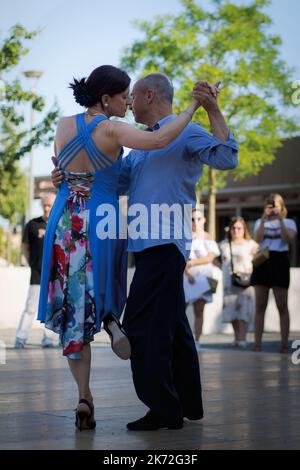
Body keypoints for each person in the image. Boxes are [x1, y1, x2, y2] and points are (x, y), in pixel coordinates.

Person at [52, 73, 238, 431]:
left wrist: (212, 110)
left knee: (139, 326)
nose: (129, 104)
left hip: (165, 244)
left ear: (149, 95)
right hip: (147, 247)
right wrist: (66, 176)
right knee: (174, 328)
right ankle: (188, 405)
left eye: (133, 96)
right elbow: (107, 180)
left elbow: (227, 157)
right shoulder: (139, 146)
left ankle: (162, 409)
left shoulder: (185, 131)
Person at [252, 194, 297, 353]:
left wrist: (280, 220)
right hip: (263, 261)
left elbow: (288, 239)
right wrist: (265, 218)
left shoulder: (289, 222)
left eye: (275, 205)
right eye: (270, 206)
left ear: (282, 206)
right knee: (260, 305)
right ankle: (257, 344)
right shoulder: (260, 222)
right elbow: (257, 240)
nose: (272, 209)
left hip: (279, 261)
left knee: (282, 305)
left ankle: (284, 344)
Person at [15, 194, 57, 349]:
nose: (47, 208)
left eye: (50, 205)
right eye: (45, 205)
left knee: (52, 307)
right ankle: (20, 338)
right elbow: (25, 247)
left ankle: (49, 339)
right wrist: (31, 263)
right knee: (31, 307)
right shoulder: (32, 224)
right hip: (37, 273)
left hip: (54, 274)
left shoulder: (58, 224)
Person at [184, 209, 221, 350]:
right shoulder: (186, 237)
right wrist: (188, 273)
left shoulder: (208, 237)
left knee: (199, 311)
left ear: (204, 220)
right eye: (192, 219)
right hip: (186, 279)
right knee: (180, 311)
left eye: (198, 219)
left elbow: (210, 257)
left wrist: (192, 263)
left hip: (202, 280)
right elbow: (182, 258)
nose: (195, 222)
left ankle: (197, 340)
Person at [220, 217, 258, 349]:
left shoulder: (251, 244)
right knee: (232, 311)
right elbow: (218, 260)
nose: (236, 231)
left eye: (239, 228)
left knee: (244, 311)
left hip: (245, 281)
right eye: (233, 228)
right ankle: (237, 337)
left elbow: (260, 258)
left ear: (244, 229)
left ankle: (243, 338)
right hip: (229, 282)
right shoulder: (224, 244)